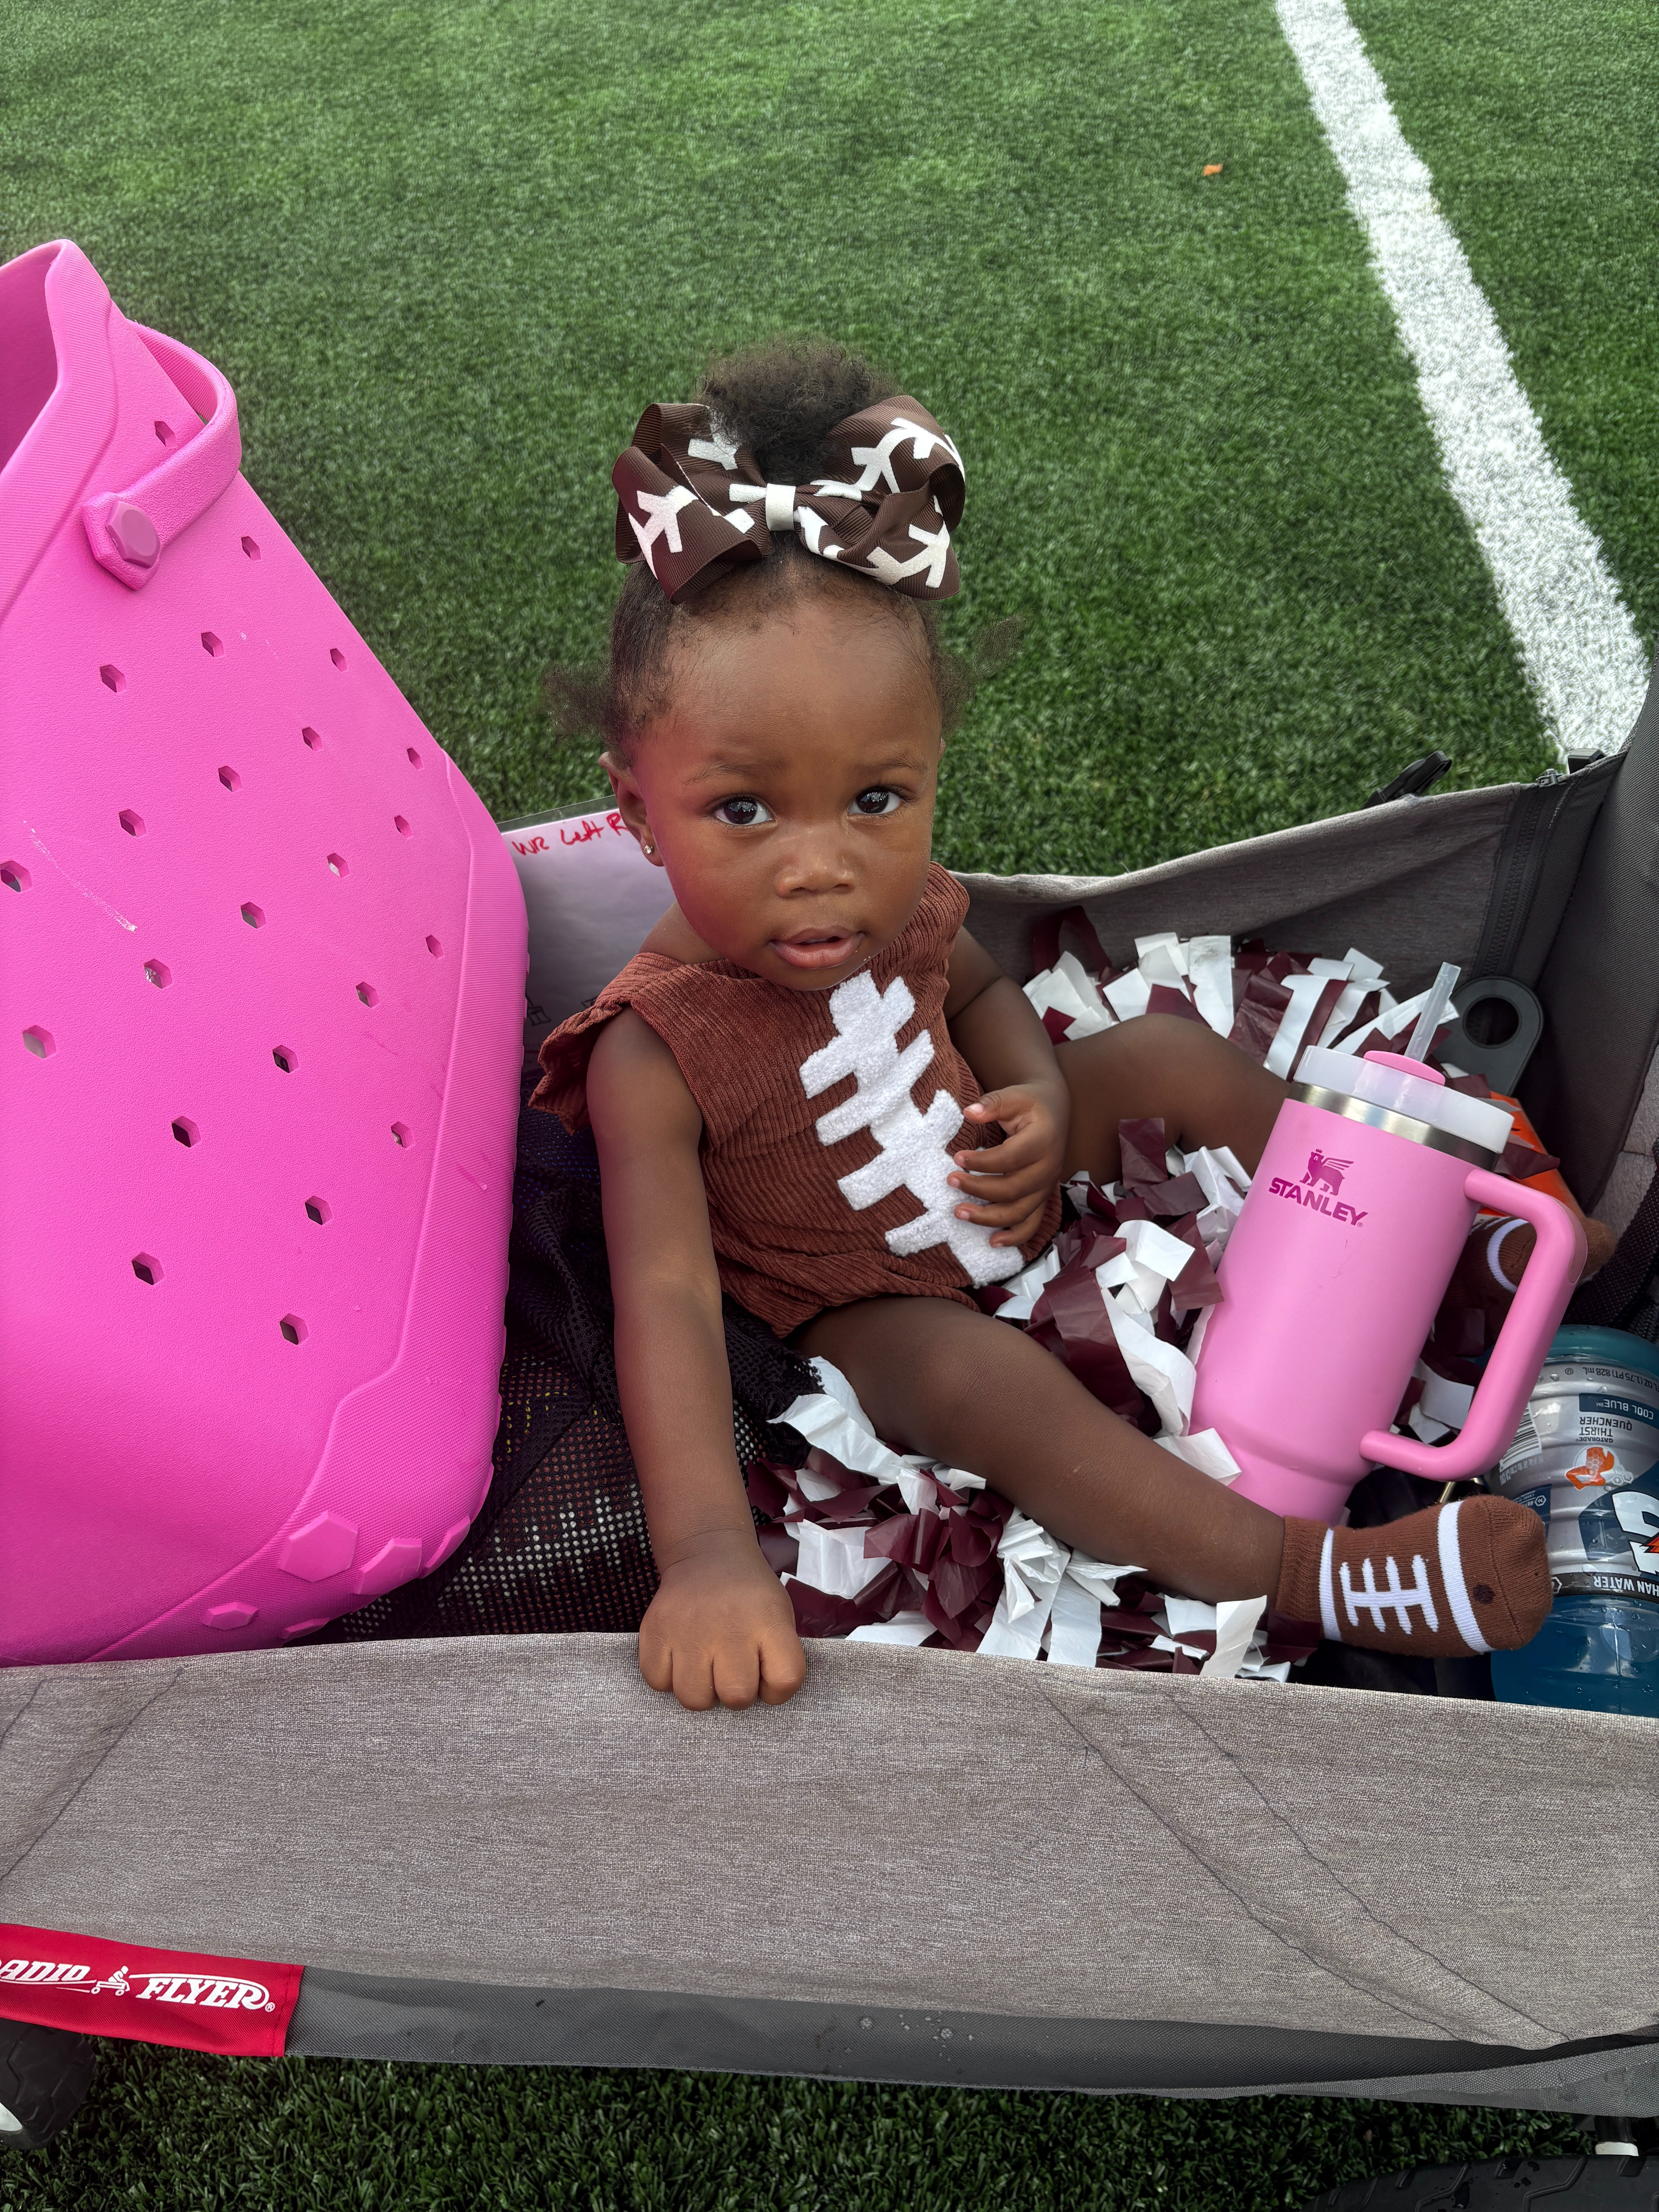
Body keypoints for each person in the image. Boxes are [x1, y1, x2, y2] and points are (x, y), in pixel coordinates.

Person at [535, 342, 1563, 1712]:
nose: (821, 864)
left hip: (988, 1165)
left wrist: (1030, 1095)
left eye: (877, 799)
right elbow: (664, 1306)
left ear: (931, 771)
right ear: (634, 810)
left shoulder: (895, 912)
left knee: (1167, 1057)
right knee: (987, 1384)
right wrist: (713, 1559)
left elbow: (976, 993)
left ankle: (1461, 1236)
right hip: (857, 1299)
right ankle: (1316, 1570)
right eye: (742, 812)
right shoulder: (648, 1049)